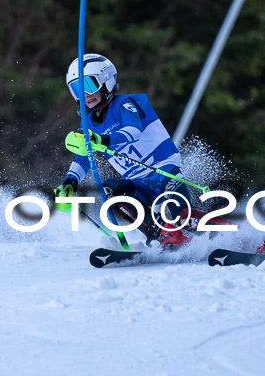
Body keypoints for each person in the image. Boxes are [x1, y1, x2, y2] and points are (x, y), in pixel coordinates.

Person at [53, 53, 195, 250]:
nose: (85, 94)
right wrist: (71, 181)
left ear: (106, 83)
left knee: (180, 209)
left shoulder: (125, 104)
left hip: (162, 168)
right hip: (137, 181)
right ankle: (161, 234)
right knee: (108, 190)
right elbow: (83, 156)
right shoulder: (88, 123)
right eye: (77, 88)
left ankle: (210, 233)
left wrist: (102, 140)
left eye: (89, 85)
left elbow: (132, 130)